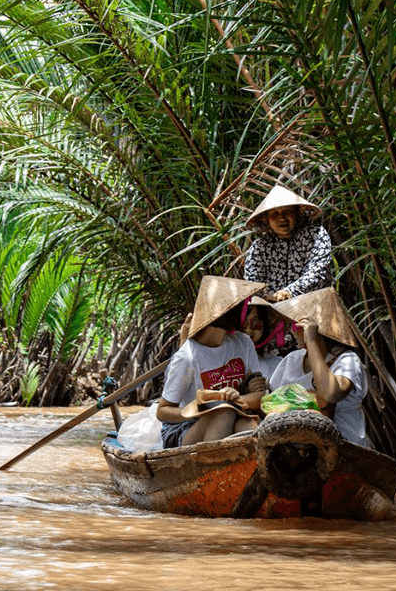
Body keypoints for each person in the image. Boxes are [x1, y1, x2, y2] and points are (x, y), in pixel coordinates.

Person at [157, 276, 269, 449]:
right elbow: (162, 411)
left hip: (233, 414)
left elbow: (260, 395)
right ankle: (210, 462)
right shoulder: (188, 357)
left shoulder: (243, 343)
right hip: (184, 428)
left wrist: (235, 399)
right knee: (224, 412)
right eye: (244, 308)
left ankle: (249, 464)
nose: (247, 314)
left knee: (246, 423)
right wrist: (201, 408)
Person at [267, 287, 368, 446]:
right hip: (289, 441)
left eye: (296, 325)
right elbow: (272, 400)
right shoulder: (293, 358)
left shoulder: (347, 359)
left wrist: (311, 341)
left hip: (341, 444)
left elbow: (330, 394)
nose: (292, 331)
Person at [243, 185, 333, 303]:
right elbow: (252, 284)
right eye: (274, 214)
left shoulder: (315, 235)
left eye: (287, 212)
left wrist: (289, 292)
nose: (282, 218)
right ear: (267, 219)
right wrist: (264, 301)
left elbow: (319, 272)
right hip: (273, 309)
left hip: (313, 305)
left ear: (297, 213)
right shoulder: (260, 247)